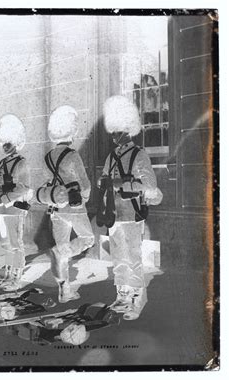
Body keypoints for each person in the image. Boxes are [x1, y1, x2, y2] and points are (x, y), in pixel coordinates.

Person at [99, 95, 162, 320]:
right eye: (112, 131)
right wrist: (103, 182)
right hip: (113, 214)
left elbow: (150, 186)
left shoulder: (139, 154)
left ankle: (138, 297)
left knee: (134, 256)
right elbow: (104, 178)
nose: (114, 136)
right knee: (118, 256)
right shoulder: (111, 156)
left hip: (132, 212)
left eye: (117, 131)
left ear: (128, 129)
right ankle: (122, 294)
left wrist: (121, 184)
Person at [36, 106, 94, 303]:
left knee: (60, 244)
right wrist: (84, 198)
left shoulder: (46, 158)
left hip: (55, 208)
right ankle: (63, 252)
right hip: (74, 207)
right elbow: (85, 185)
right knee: (87, 239)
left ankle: (64, 290)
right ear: (72, 131)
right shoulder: (72, 155)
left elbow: (45, 184)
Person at [0, 114, 33, 291]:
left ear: (15, 142)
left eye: (8, 142)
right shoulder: (2, 162)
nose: (4, 145)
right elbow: (1, 183)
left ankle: (17, 275)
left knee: (16, 243)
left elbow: (23, 187)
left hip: (14, 207)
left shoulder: (21, 163)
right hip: (2, 207)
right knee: (6, 242)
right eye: (3, 142)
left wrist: (4, 198)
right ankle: (8, 273)